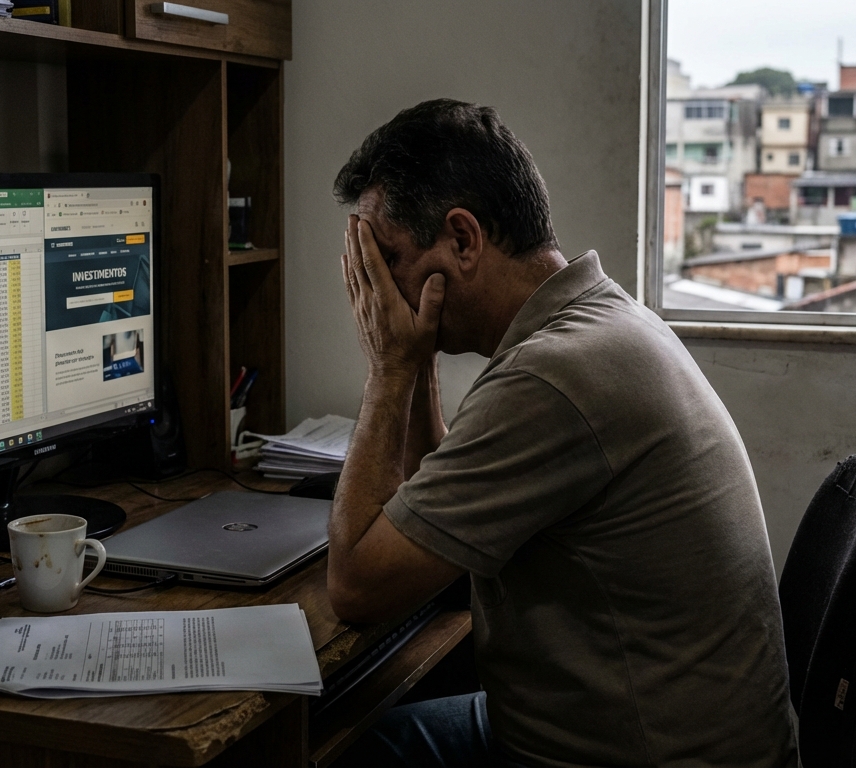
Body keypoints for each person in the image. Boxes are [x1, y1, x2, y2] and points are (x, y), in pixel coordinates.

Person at [328, 99, 797, 767]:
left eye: (390, 259)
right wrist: (416, 362)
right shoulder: (604, 322)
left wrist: (389, 367)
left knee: (329, 749)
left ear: (463, 240)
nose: (379, 292)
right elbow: (440, 518)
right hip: (679, 741)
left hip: (640, 756)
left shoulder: (553, 377)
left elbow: (356, 588)